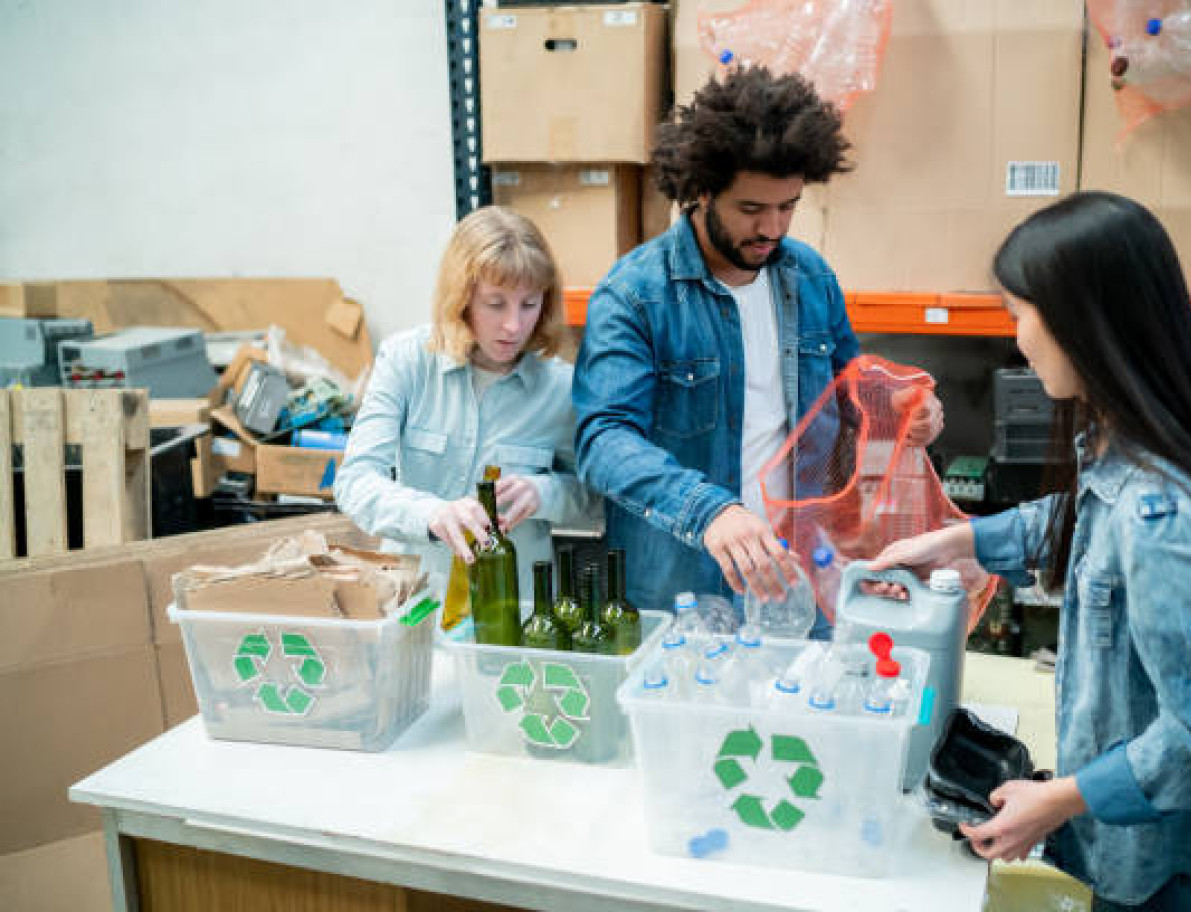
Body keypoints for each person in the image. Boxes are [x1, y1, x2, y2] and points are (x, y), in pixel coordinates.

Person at [870, 192, 1191, 910]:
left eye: (1020, 316)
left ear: (1085, 322)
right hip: (1143, 853)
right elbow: (1082, 524)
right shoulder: (1127, 449)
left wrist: (1060, 800)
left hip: (1173, 871)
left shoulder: (1161, 516)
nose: (1019, 342)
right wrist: (961, 540)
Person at [573, 65, 942, 628]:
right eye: (750, 210)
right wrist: (711, 511)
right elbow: (603, 440)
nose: (772, 227)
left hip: (801, 577)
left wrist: (900, 409)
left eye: (788, 206)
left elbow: (851, 395)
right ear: (701, 192)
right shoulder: (634, 296)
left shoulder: (810, 278)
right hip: (684, 590)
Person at [336, 206, 594, 603]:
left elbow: (600, 498)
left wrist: (546, 493)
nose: (513, 325)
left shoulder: (561, 388)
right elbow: (355, 483)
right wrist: (431, 514)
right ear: (461, 299)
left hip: (516, 610)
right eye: (495, 303)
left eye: (529, 304)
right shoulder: (407, 361)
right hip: (414, 605)